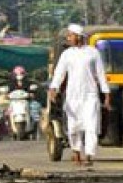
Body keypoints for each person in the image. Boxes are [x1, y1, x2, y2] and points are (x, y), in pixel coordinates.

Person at [48, 24, 112, 166]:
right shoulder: (67, 54)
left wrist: (106, 94)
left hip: (90, 95)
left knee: (91, 126)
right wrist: (53, 89)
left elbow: (101, 75)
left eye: (70, 35)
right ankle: (76, 153)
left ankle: (89, 155)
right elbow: (59, 73)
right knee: (73, 127)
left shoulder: (93, 53)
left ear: (78, 36)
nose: (68, 38)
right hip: (72, 96)